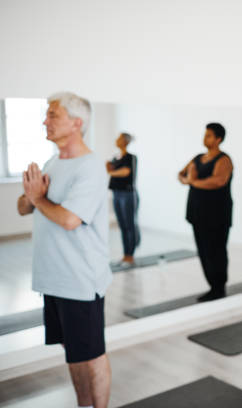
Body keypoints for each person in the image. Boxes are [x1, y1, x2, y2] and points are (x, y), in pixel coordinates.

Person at [17, 92, 112, 408]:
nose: (45, 120)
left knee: (92, 355)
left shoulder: (91, 167)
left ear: (76, 123)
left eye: (52, 114)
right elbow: (24, 208)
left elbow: (70, 219)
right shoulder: (52, 162)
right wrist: (31, 195)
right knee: (74, 352)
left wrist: (38, 199)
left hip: (80, 281)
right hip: (54, 279)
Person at [179, 123, 233, 302]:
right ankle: (212, 287)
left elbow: (218, 181)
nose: (205, 138)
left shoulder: (224, 160)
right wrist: (189, 180)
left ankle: (219, 287)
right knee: (203, 251)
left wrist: (192, 181)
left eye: (209, 135)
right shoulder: (198, 158)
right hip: (197, 212)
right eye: (205, 134)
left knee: (216, 250)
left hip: (217, 215)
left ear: (218, 139)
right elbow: (181, 174)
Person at [106, 132, 140, 267]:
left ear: (125, 141)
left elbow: (125, 172)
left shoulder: (131, 158)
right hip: (116, 194)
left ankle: (130, 256)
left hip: (128, 195)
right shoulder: (116, 158)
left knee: (129, 225)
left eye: (119, 138)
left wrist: (110, 172)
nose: (116, 140)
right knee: (123, 226)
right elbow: (110, 168)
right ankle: (125, 255)